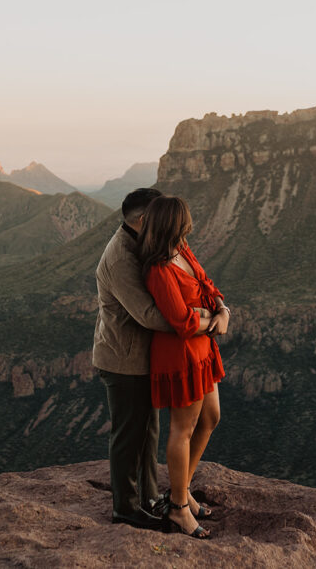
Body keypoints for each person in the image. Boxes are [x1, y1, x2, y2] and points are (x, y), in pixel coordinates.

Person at [137, 195, 229, 539]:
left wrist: (223, 310)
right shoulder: (158, 269)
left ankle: (183, 490)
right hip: (181, 355)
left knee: (211, 417)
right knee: (183, 429)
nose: (187, 229)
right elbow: (180, 320)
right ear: (172, 225)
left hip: (203, 350)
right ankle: (177, 507)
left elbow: (206, 283)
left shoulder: (182, 250)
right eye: (183, 224)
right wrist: (213, 322)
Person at [92, 188, 174, 530]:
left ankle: (149, 497)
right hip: (122, 362)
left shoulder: (138, 242)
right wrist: (196, 322)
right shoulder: (120, 257)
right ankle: (125, 506)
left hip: (140, 359)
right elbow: (148, 315)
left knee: (148, 430)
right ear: (142, 221)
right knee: (128, 434)